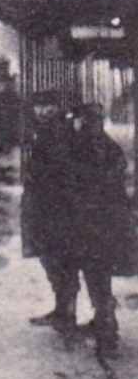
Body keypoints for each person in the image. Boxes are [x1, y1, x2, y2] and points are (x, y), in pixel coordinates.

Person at [65, 101, 133, 358]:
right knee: (99, 277)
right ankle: (104, 324)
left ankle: (107, 334)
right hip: (108, 224)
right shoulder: (108, 146)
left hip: (91, 225)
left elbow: (76, 184)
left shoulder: (84, 148)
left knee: (96, 277)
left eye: (80, 120)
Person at [21, 89, 78, 330]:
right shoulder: (46, 132)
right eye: (39, 107)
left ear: (57, 107)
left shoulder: (60, 133)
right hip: (45, 205)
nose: (43, 111)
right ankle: (63, 309)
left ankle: (66, 312)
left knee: (59, 259)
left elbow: (61, 172)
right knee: (53, 259)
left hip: (57, 207)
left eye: (48, 106)